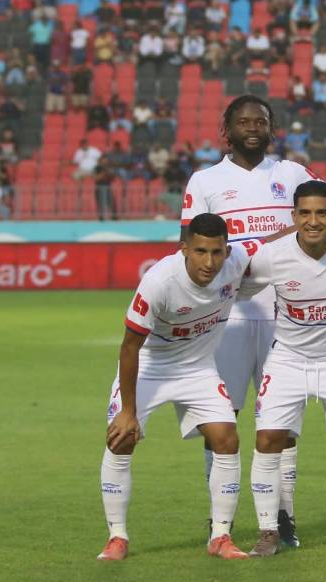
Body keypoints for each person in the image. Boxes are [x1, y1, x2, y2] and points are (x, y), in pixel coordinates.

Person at [180, 95, 326, 548]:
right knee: (223, 416)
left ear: (272, 127)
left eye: (261, 121)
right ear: (227, 127)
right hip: (228, 315)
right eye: (243, 121)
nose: (252, 127)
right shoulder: (205, 180)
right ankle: (223, 521)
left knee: (282, 422)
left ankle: (283, 516)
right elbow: (189, 244)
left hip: (285, 312)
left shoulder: (291, 173)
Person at [97, 213, 265, 562]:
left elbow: (280, 239)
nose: (209, 262)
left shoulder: (237, 258)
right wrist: (128, 412)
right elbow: (130, 347)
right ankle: (117, 536)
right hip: (150, 368)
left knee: (226, 437)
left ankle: (220, 535)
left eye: (217, 252)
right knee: (121, 438)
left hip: (197, 370)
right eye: (201, 252)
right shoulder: (159, 281)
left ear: (226, 249)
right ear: (184, 248)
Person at [242, 181, 326, 557]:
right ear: (294, 217)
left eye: (323, 213)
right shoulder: (272, 256)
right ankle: (268, 531)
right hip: (288, 359)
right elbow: (234, 280)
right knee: (267, 441)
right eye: (305, 213)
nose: (314, 221)